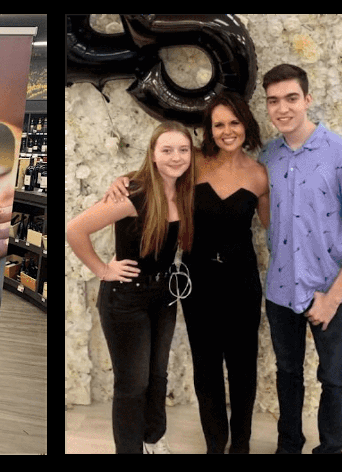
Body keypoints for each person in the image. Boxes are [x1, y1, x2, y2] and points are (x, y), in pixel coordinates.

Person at [102, 92, 268, 454]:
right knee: (206, 368)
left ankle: (240, 444)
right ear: (209, 130)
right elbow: (158, 173)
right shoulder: (195, 164)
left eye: (234, 123)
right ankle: (214, 444)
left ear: (246, 125)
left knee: (243, 369)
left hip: (242, 283)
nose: (227, 131)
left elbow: (272, 225)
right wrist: (123, 180)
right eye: (218, 124)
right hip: (198, 281)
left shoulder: (259, 174)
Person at [258, 63, 342, 454]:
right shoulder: (267, 156)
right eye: (273, 101)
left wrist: (333, 297)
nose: (282, 108)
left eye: (291, 98)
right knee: (287, 374)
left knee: (334, 378)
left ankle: (330, 449)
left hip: (327, 290)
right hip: (279, 291)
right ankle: (288, 446)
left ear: (307, 99)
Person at [67, 121, 196, 454]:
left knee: (158, 376)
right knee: (132, 385)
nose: (176, 157)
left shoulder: (184, 191)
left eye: (183, 149)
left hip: (165, 295)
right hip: (126, 299)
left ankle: (153, 439)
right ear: (153, 155)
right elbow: (75, 230)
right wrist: (102, 269)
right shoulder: (133, 194)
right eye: (167, 150)